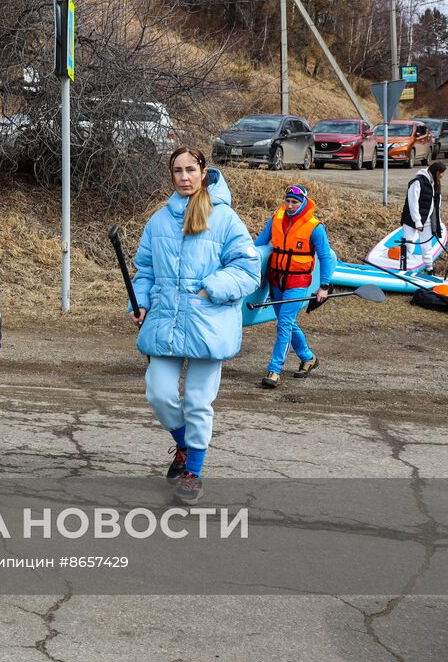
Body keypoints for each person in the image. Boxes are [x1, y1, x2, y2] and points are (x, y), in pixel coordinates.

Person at [132, 147, 260, 505]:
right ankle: (185, 445)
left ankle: (192, 473)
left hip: (209, 323)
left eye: (191, 169)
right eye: (177, 171)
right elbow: (145, 271)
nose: (184, 177)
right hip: (165, 321)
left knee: (199, 402)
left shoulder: (225, 219)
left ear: (204, 172)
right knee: (158, 393)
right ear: (171, 175)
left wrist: (210, 289)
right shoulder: (158, 221)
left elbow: (248, 270)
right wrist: (140, 302)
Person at [254, 185, 337, 389]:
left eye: (295, 202)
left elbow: (325, 257)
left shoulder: (315, 227)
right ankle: (308, 357)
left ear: (304, 203)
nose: (290, 206)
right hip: (275, 282)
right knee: (288, 322)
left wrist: (324, 286)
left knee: (283, 324)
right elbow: (259, 245)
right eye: (288, 201)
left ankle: (274, 370)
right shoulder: (276, 219)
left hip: (298, 282)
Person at [401, 161, 447, 271]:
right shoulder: (417, 182)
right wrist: (417, 221)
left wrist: (437, 222)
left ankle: (429, 268)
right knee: (409, 245)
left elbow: (436, 206)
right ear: (436, 172)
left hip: (427, 220)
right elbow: (412, 203)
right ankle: (403, 268)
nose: (443, 176)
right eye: (442, 173)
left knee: (427, 246)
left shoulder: (435, 183)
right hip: (411, 219)